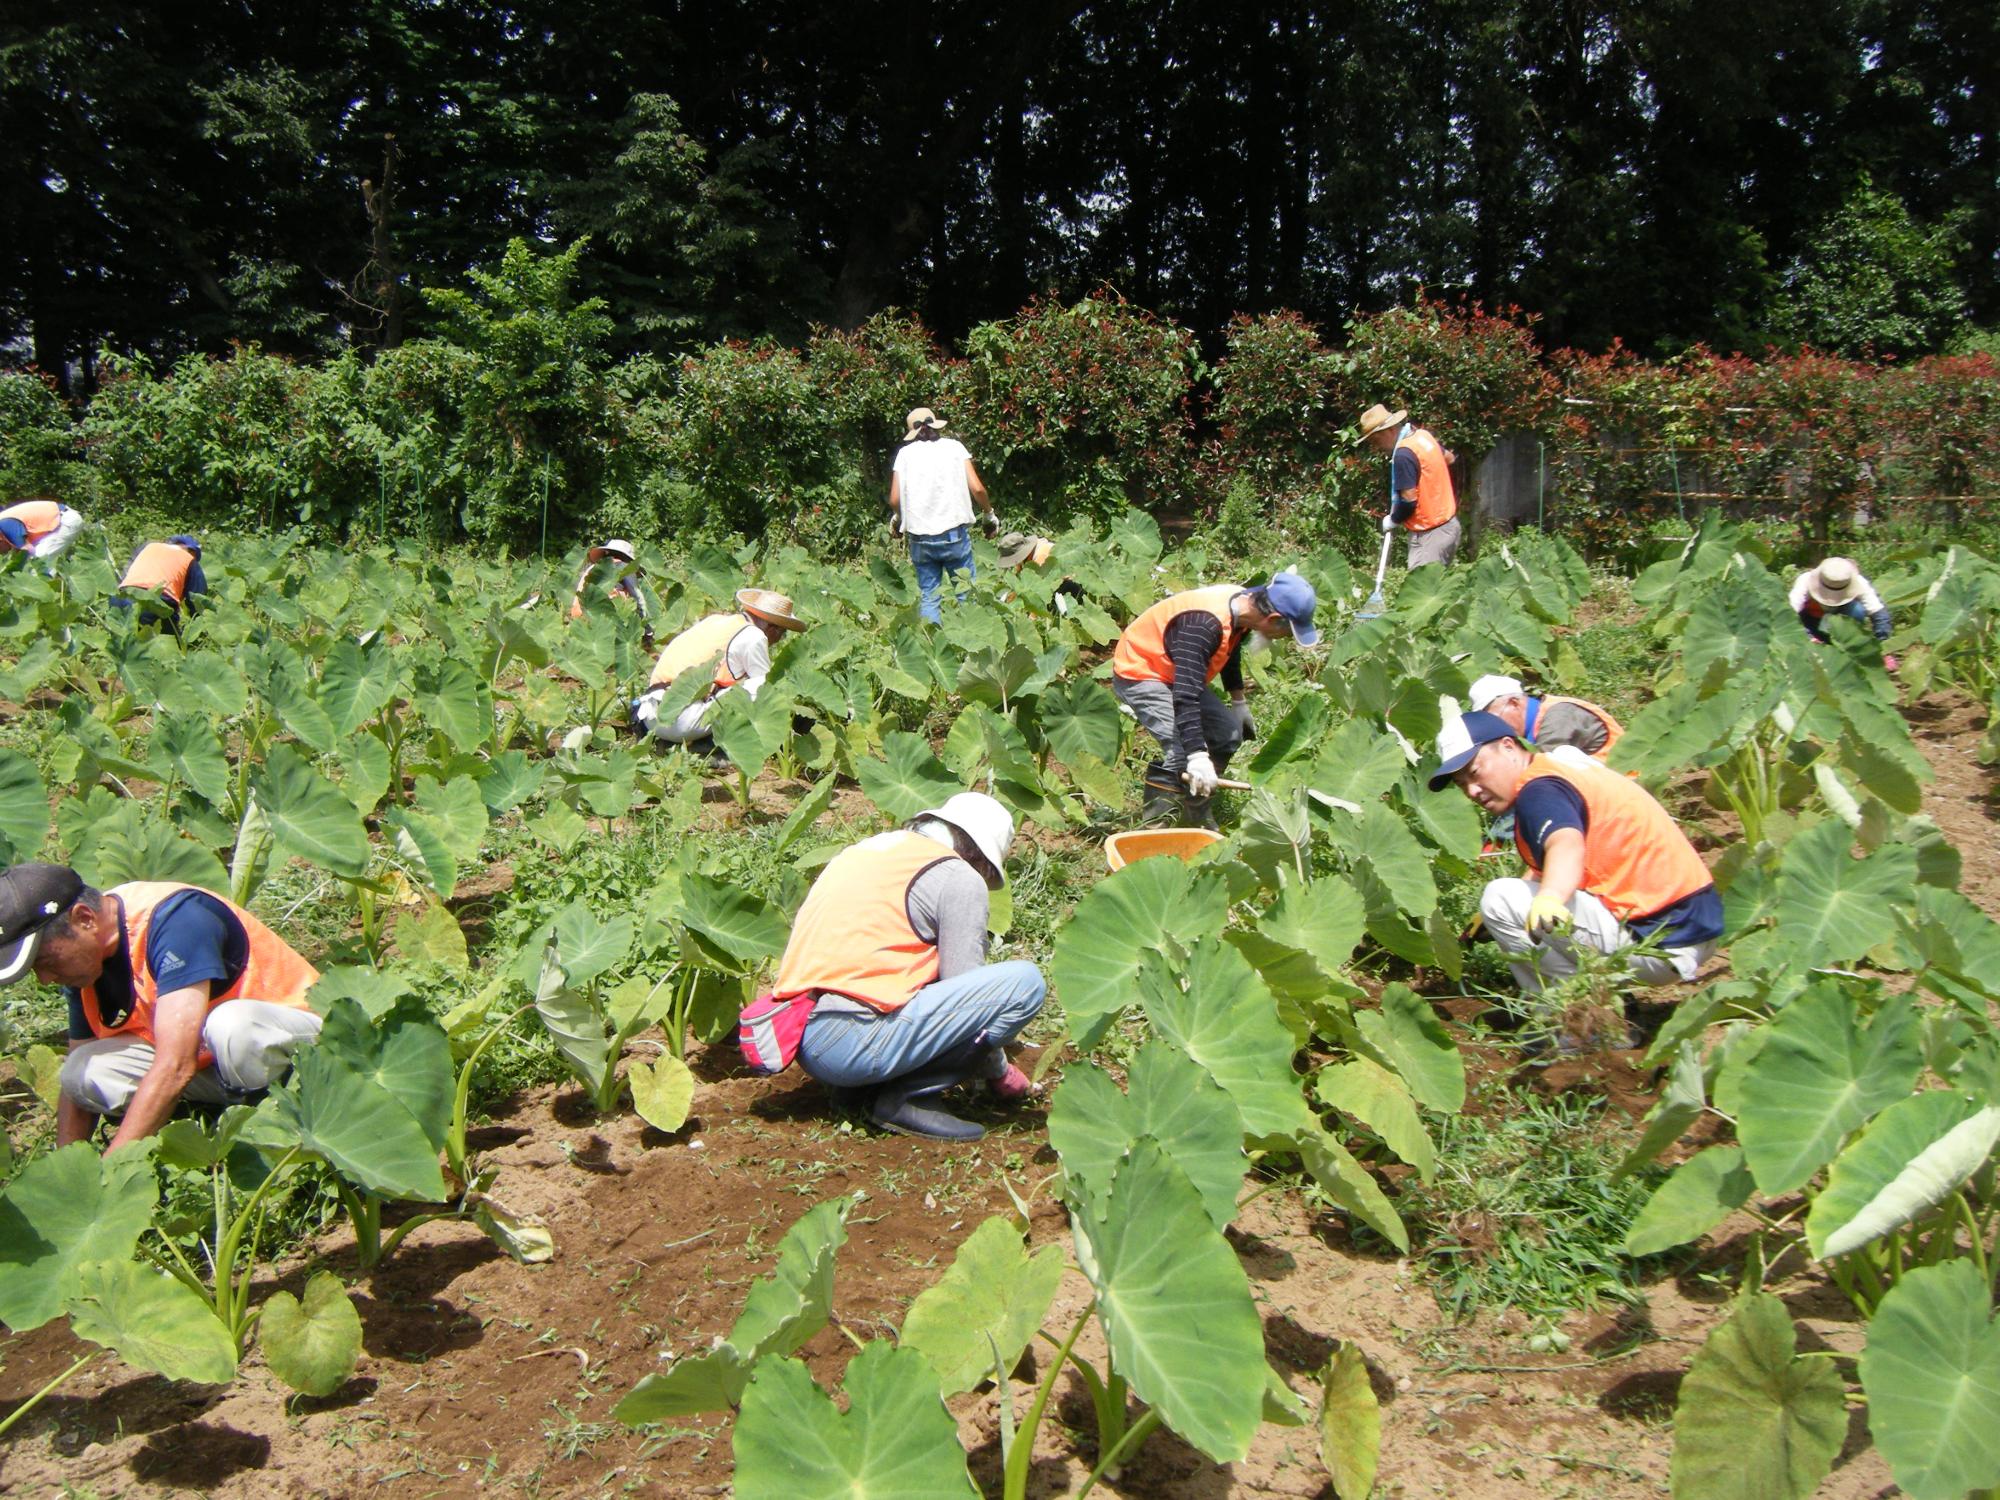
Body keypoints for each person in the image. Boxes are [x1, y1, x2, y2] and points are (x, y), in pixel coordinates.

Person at [1428, 712, 1722, 1046]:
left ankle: (1582, 1028)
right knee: (1514, 900)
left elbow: (1564, 842)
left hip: (1660, 941)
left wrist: (1549, 897)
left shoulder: (1540, 791)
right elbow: (1561, 853)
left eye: (1475, 772)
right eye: (1462, 784)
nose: (1472, 790)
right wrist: (1533, 888)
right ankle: (1600, 1010)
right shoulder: (1563, 765)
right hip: (1691, 926)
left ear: (1508, 746)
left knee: (1499, 898)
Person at [774, 792, 1045, 1140]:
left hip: (804, 1038)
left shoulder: (868, 851)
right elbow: (966, 989)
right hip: (852, 1042)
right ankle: (907, 1098)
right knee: (1025, 984)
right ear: (979, 856)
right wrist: (1000, 1074)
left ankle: (862, 1090)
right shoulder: (958, 876)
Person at [0, 864, 322, 1153]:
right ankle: (213, 1122)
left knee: (233, 1027)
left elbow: (176, 1066)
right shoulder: (85, 963)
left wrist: (112, 1175)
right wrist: (67, 1178)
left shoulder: (175, 920)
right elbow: (76, 1092)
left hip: (304, 1051)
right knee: (81, 1071)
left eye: (46, 962)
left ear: (84, 918)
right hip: (217, 1068)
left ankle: (271, 1131)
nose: (44, 979)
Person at [1110, 571, 1320, 826]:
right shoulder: (1203, 625)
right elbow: (1185, 695)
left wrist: (1239, 701)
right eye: (1286, 633)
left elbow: (1228, 651)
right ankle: (1155, 830)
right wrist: (1197, 755)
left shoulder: (1243, 606)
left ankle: (1194, 814)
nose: (1284, 638)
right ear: (1273, 618)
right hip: (1143, 670)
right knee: (1180, 750)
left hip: (1176, 669)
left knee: (1227, 734)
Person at [632, 589, 807, 745]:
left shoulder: (715, 621)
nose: (778, 639)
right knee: (758, 688)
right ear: (772, 629)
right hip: (682, 724)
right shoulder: (754, 635)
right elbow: (765, 692)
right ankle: (719, 746)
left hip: (651, 716)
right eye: (782, 633)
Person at [889, 406, 1000, 622]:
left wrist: (897, 519)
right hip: (954, 536)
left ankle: (934, 649)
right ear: (935, 425)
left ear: (913, 432)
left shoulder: (905, 454)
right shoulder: (955, 448)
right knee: (967, 596)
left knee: (930, 597)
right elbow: (977, 489)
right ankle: (975, 648)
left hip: (920, 540)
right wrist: (989, 514)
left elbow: (894, 499)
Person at [1356, 403, 1460, 567]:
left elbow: (1409, 500)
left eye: (1376, 440)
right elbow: (1449, 458)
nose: (1376, 447)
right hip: (1450, 526)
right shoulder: (1422, 436)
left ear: (1389, 431)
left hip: (1430, 535)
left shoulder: (1403, 455)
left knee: (1421, 590)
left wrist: (1393, 519)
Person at [1468, 675, 1624, 761]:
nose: (1495, 727)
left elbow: (1541, 770)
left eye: (1495, 719)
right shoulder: (1536, 722)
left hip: (1629, 789)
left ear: (1514, 703)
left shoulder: (1559, 716)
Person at [1790, 557, 1896, 669]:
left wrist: (1882, 648)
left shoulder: (1860, 582)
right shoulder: (1805, 580)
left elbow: (1879, 614)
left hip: (1841, 624)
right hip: (1811, 623)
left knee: (1857, 610)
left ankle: (1846, 646)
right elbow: (1790, 614)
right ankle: (1819, 644)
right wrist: (1807, 638)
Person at [569, 539, 656, 646]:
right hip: (607, 622)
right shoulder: (624, 566)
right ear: (625, 557)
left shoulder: (592, 569)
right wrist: (647, 630)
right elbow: (638, 597)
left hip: (580, 619)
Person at [115, 535, 207, 625]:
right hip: (155, 602)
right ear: (191, 550)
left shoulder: (149, 547)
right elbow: (197, 600)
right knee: (169, 639)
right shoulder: (189, 559)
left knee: (123, 638)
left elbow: (126, 573)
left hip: (121, 598)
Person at [0, 498, 85, 569]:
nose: (2, 553)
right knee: (43, 564)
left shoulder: (4, 524)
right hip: (58, 522)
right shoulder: (4, 523)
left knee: (36, 562)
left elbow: (27, 549)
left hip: (64, 521)